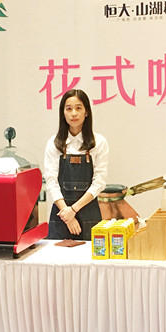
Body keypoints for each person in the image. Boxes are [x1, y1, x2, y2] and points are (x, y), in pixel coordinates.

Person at [44, 89, 109, 240]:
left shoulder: (99, 143)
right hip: (61, 214)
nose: (74, 113)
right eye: (69, 109)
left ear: (86, 112)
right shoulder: (53, 143)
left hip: (88, 212)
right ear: (63, 113)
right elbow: (51, 182)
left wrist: (73, 210)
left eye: (78, 108)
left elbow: (99, 182)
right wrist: (67, 215)